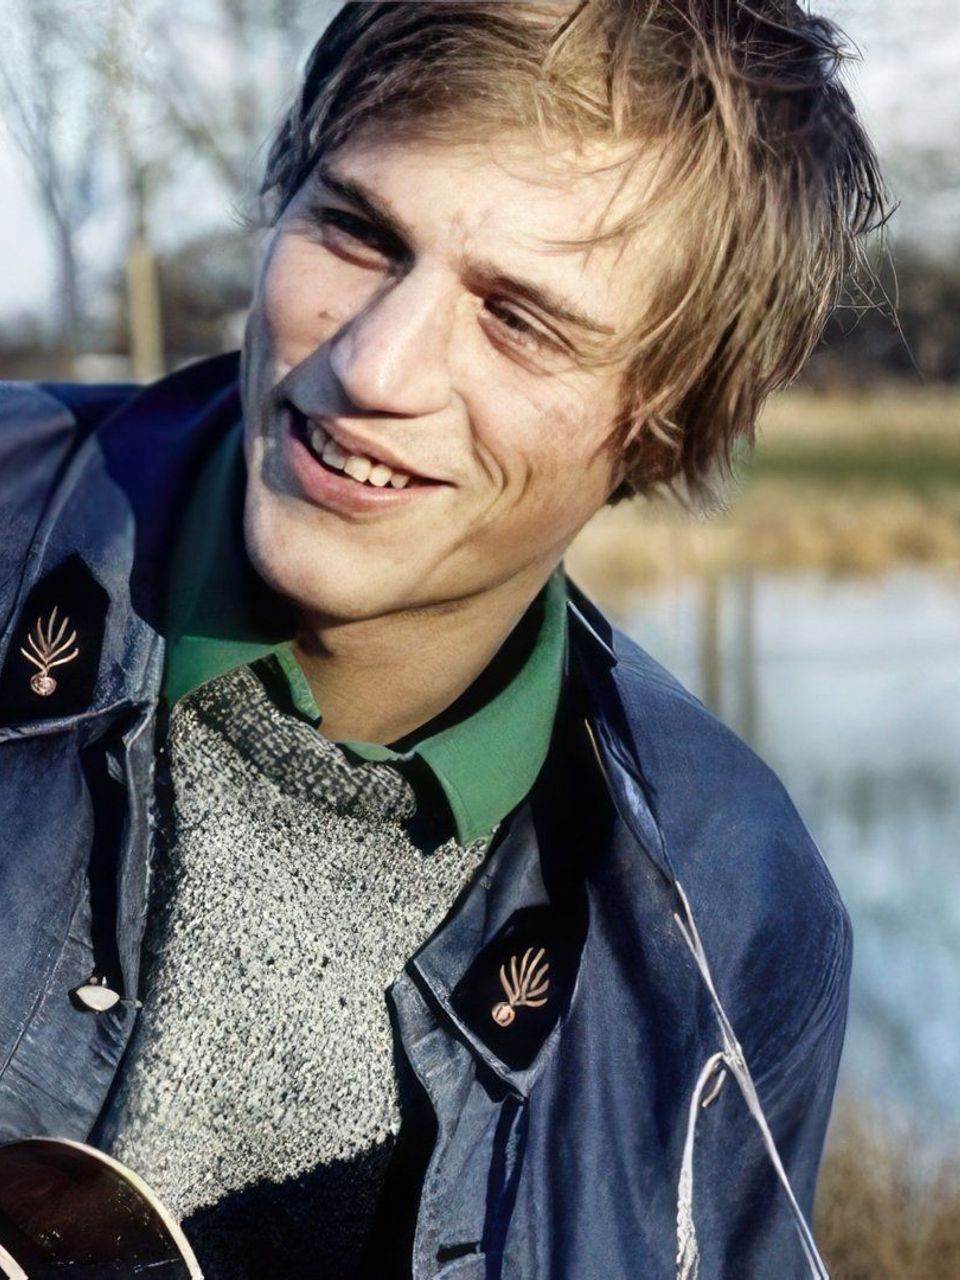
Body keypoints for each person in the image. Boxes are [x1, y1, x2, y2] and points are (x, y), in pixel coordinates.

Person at [0, 1, 888, 1276]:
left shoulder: (735, 909)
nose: (375, 368)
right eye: (359, 232)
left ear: (664, 422)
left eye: (520, 318)